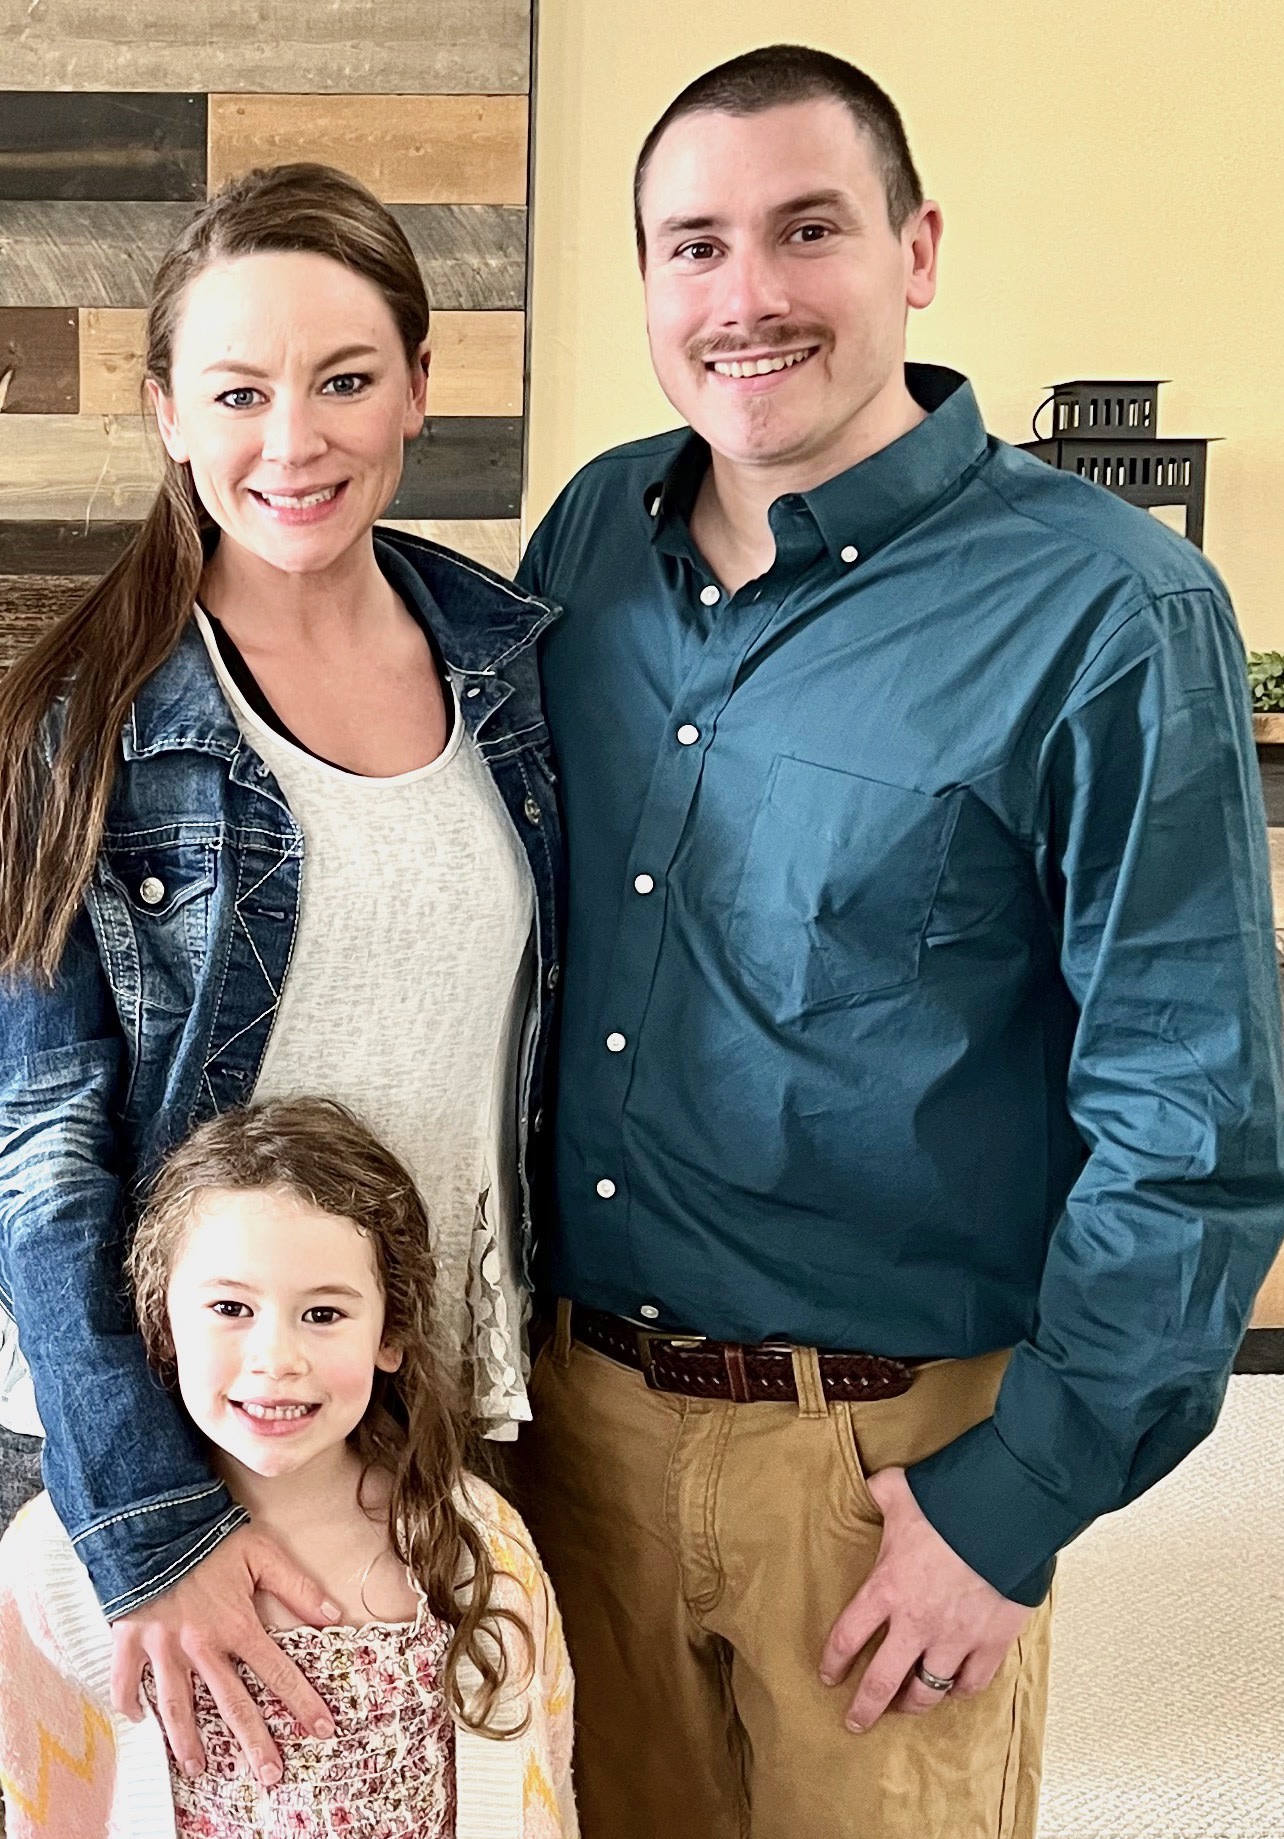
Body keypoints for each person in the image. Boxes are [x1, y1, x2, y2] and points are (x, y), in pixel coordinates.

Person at [513, 42, 1284, 1839]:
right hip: (576, 1429)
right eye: (694, 245)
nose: (746, 296)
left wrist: (1015, 1502)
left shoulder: (1109, 608)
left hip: (884, 1466)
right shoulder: (592, 535)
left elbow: (1192, 1112)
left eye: (807, 229)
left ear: (916, 248)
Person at [0, 162, 562, 1791]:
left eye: (344, 379)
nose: (293, 439)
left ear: (419, 388)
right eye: (239, 390)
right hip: (187, 1426)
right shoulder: (81, 725)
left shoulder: (513, 669)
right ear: (168, 410)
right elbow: (39, 1154)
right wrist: (147, 1515)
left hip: (430, 1397)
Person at [0, 1097, 576, 1837]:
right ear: (162, 1324)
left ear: (391, 1333)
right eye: (231, 1308)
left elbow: (539, 1781)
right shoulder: (55, 1565)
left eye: (323, 1314)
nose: (276, 1358)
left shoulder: (475, 1541)